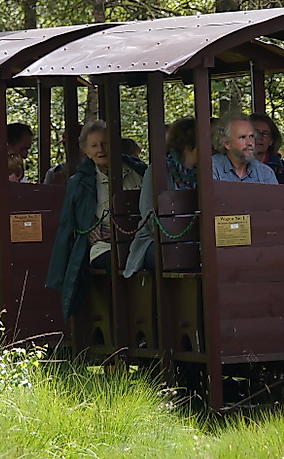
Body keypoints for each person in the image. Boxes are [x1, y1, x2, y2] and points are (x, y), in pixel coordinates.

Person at [47, 120, 147, 318]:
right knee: (117, 261)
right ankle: (124, 320)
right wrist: (59, 273)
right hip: (102, 247)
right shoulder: (80, 182)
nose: (100, 150)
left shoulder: (139, 171)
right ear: (86, 150)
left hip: (141, 241)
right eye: (94, 145)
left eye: (105, 143)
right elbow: (67, 225)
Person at [124, 117, 198, 277]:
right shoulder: (157, 171)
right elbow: (148, 215)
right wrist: (180, 233)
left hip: (195, 240)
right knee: (182, 254)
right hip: (154, 240)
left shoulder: (205, 171)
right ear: (189, 143)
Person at [211, 112, 278, 183]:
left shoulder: (265, 173)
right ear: (227, 143)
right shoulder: (212, 168)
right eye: (242, 137)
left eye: (251, 136)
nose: (250, 143)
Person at [250, 112, 284, 185]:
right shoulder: (235, 165)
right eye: (256, 133)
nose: (260, 137)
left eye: (265, 134)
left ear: (271, 140)